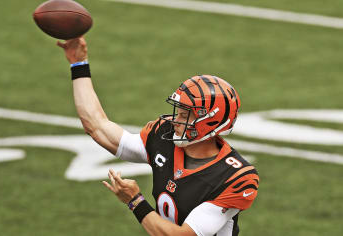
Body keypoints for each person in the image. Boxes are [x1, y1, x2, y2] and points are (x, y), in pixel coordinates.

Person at [57, 37, 259, 236]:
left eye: (186, 113)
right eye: (178, 109)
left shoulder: (236, 177)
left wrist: (135, 200)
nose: (176, 118)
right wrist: (79, 64)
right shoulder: (165, 136)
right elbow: (97, 127)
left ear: (211, 121)